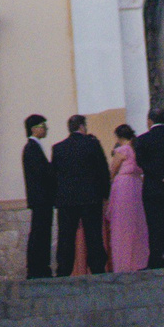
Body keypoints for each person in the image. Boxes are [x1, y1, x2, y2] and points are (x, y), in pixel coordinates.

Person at [52, 113, 110, 275]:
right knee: (93, 235)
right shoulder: (92, 144)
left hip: (66, 200)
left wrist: (58, 198)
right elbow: (102, 170)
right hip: (91, 198)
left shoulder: (58, 148)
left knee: (66, 237)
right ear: (82, 127)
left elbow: (54, 175)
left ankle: (64, 269)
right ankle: (97, 267)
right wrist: (105, 194)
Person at [133, 108, 164, 267]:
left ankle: (156, 259)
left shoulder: (142, 140)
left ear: (149, 121)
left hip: (152, 188)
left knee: (154, 225)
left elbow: (141, 163)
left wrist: (159, 175)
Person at [106, 125, 147, 273]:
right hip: (136, 185)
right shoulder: (136, 149)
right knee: (137, 223)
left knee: (122, 224)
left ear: (119, 137)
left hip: (123, 187)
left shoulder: (122, 150)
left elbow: (112, 170)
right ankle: (139, 259)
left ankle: (124, 262)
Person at [20, 114, 55, 279]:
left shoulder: (35, 147)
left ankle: (40, 266)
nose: (46, 128)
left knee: (41, 231)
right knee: (40, 233)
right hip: (41, 198)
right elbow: (42, 173)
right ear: (34, 129)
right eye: (43, 125)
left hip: (42, 199)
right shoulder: (32, 148)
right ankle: (38, 268)